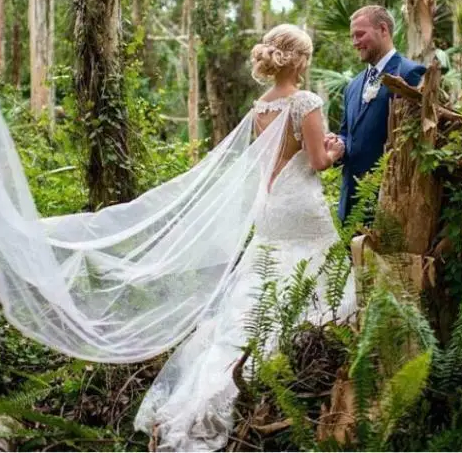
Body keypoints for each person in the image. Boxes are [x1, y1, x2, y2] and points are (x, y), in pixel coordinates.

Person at [133, 24, 355, 451]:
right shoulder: (305, 102)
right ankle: (286, 363)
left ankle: (220, 373)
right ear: (300, 60)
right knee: (315, 270)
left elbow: (271, 158)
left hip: (269, 205)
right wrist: (338, 149)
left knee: (259, 281)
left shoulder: (262, 106)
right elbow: (317, 161)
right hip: (300, 205)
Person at [325, 5, 426, 222]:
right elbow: (347, 133)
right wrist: (337, 143)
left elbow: (416, 139)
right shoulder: (352, 86)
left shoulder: (410, 73)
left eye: (360, 34)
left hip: (390, 199)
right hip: (352, 202)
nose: (354, 42)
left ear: (383, 30)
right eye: (352, 36)